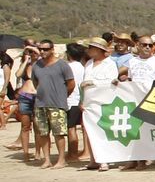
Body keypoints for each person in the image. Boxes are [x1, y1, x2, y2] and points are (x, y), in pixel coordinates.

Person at [29, 41, 75, 169]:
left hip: (57, 104)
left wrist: (62, 96)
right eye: (40, 49)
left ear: (52, 49)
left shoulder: (62, 65)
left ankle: (61, 159)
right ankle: (47, 159)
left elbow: (71, 84)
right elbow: (35, 82)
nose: (42, 52)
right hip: (40, 103)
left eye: (45, 49)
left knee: (58, 133)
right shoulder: (37, 65)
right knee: (42, 133)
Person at [77, 38, 121, 171]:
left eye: (91, 48)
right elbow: (83, 83)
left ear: (99, 50)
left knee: (103, 131)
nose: (89, 50)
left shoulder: (110, 64)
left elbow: (111, 82)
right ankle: (93, 159)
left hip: (103, 102)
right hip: (89, 102)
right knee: (90, 131)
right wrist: (82, 100)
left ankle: (104, 160)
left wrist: (93, 83)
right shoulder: (89, 64)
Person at [63, 43, 87, 163]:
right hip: (81, 99)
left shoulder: (68, 67)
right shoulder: (83, 67)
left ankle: (72, 153)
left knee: (70, 128)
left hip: (71, 100)